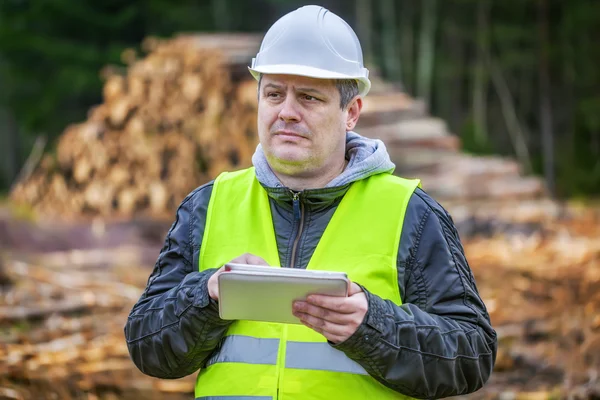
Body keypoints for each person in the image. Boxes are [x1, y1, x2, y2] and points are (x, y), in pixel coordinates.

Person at [125, 5, 497, 399]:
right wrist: (209, 295)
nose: (287, 112)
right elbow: (147, 346)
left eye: (309, 97)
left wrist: (374, 325)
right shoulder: (208, 206)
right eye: (273, 94)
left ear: (351, 112)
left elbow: (472, 354)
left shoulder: (412, 214)